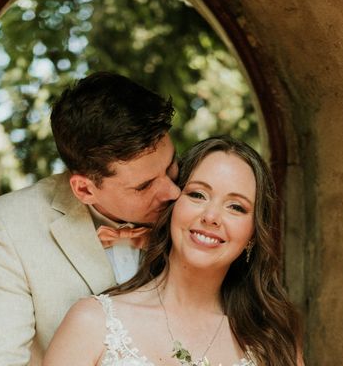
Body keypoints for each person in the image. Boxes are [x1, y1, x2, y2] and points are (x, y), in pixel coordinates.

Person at [0, 72, 181, 365]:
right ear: (84, 189)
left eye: (171, 167)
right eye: (144, 186)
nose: (173, 192)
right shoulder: (11, 225)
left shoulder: (201, 199)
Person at [44, 136, 304, 366]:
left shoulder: (273, 341)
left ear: (253, 234)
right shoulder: (92, 323)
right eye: (198, 195)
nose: (211, 216)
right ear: (172, 204)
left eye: (236, 207)